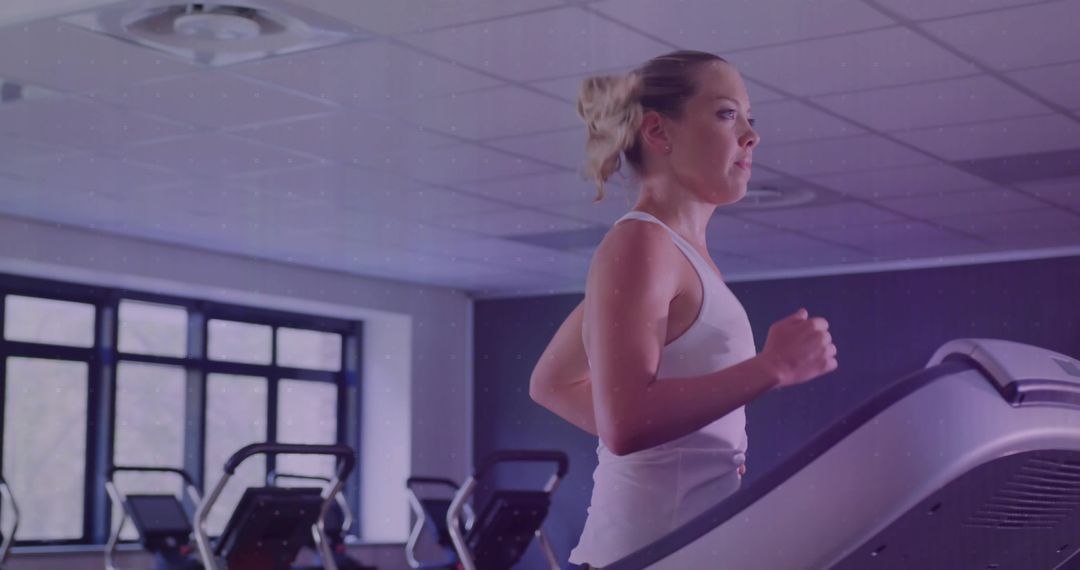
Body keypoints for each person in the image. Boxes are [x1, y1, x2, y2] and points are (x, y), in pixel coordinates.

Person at [528, 50, 839, 568]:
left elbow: (553, 383)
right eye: (726, 114)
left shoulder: (674, 252)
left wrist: (690, 449)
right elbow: (626, 424)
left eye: (749, 119)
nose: (751, 135)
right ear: (658, 132)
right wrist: (771, 367)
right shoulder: (641, 246)